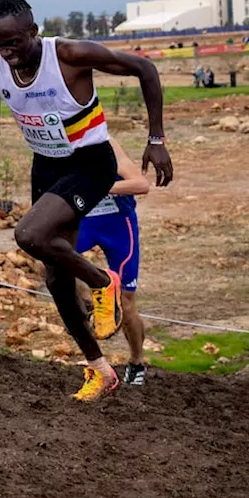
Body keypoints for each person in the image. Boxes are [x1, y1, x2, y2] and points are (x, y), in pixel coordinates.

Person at [0, 0, 172, 402]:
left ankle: (101, 281)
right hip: (48, 165)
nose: (8, 53)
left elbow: (145, 69)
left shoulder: (70, 55)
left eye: (15, 42)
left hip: (91, 162)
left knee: (30, 236)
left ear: (34, 30)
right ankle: (100, 370)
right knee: (55, 278)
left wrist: (157, 138)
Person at [75, 136, 150, 385]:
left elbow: (141, 184)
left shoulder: (106, 144)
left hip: (118, 224)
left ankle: (137, 361)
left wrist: (102, 187)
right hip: (85, 222)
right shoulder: (57, 145)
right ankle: (91, 303)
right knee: (49, 253)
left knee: (127, 303)